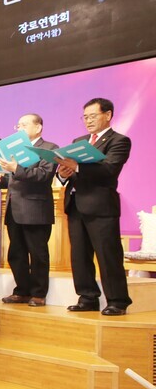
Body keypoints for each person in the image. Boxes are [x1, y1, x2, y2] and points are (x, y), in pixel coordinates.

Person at [58, 97, 132, 315]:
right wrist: (63, 173)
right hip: (75, 204)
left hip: (101, 206)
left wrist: (78, 166)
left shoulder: (119, 140)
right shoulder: (80, 140)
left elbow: (109, 170)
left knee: (108, 256)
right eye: (85, 117)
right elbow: (71, 171)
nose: (88, 121)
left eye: (93, 116)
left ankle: (117, 301)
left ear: (107, 115)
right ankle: (87, 297)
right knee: (79, 256)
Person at [0, 114, 58, 307]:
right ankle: (22, 290)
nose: (19, 129)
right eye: (18, 125)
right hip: (14, 208)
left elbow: (43, 175)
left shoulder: (49, 148)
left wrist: (16, 168)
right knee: (16, 254)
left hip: (36, 209)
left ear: (38, 127)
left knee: (38, 253)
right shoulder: (15, 151)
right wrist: (2, 178)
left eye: (24, 125)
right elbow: (15, 179)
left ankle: (39, 293)